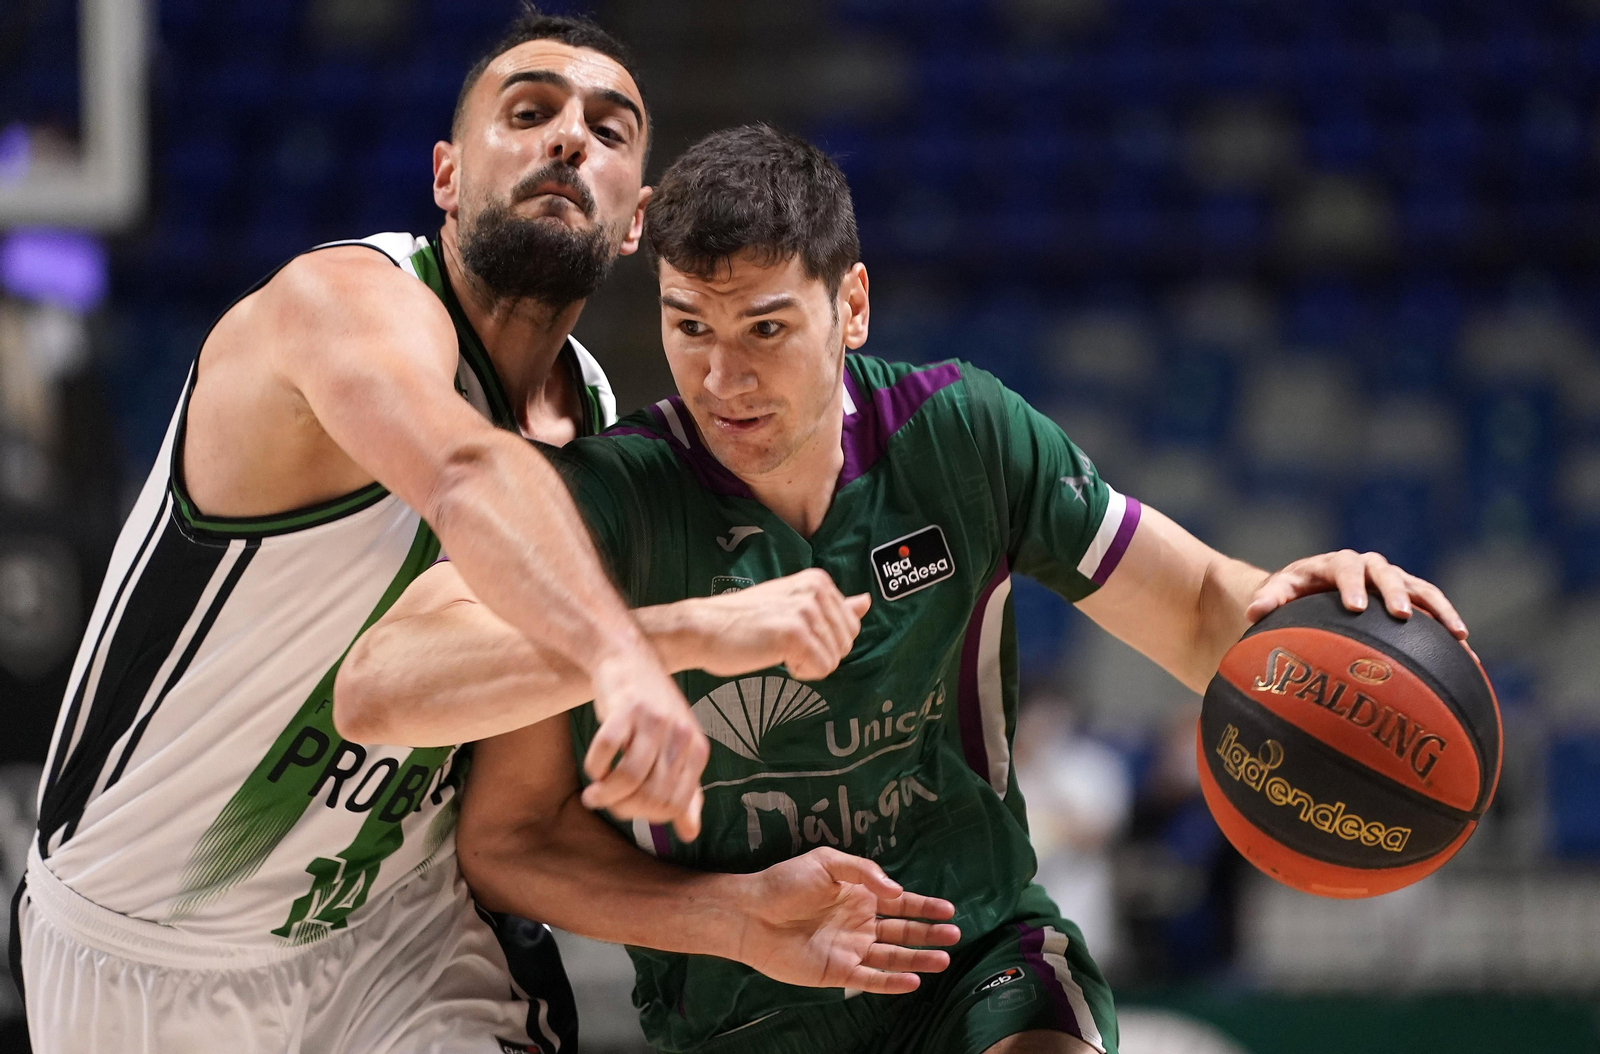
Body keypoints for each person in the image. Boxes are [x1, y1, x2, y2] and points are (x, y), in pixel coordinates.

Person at [339, 125, 1471, 1054]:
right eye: (689, 328)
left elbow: (1191, 609)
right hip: (739, 1003)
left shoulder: (959, 435)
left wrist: (1299, 618)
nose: (722, 377)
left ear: (854, 305)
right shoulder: (609, 502)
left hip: (975, 962)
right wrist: (723, 894)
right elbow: (476, 797)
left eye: (766, 329)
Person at [15, 9, 714, 1053]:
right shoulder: (340, 303)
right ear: (444, 175)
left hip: (398, 923)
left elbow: (503, 765)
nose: (570, 138)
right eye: (528, 112)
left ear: (633, 223)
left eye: (609, 131)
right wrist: (621, 652)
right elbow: (465, 469)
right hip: (153, 942)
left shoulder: (596, 412)